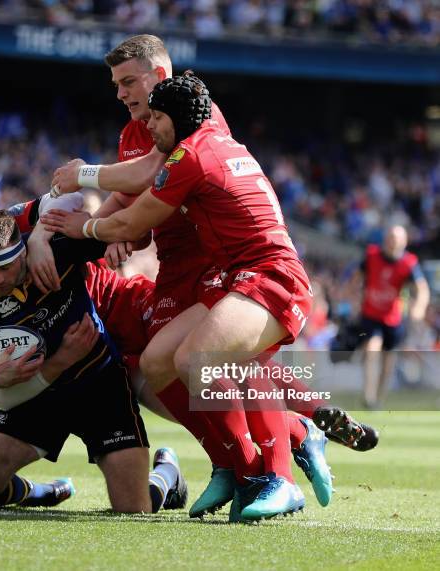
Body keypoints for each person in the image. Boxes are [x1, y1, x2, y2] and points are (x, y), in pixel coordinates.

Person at [44, 36, 376, 520]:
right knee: (159, 367)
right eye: (115, 84)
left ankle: (277, 464)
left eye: (129, 82)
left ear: (161, 80)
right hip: (185, 268)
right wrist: (107, 230)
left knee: (217, 361)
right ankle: (239, 459)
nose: (121, 94)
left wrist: (90, 194)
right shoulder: (140, 133)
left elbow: (150, 176)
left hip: (231, 269)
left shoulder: (195, 124)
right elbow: (133, 207)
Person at [0, 208, 188, 514]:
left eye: (6, 267)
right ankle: (40, 493)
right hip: (38, 399)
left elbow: (138, 232)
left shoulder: (57, 249)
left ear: (22, 250)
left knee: (133, 510)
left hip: (99, 384)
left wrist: (118, 240)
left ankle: (166, 473)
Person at [356, 225, 430, 409]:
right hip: (371, 313)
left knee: (388, 362)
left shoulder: (409, 264)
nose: (392, 242)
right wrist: (350, 294)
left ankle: (378, 399)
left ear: (404, 242)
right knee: (372, 349)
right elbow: (356, 277)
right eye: (390, 238)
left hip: (393, 318)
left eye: (396, 239)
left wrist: (419, 308)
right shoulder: (372, 256)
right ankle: (369, 396)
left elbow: (422, 289)